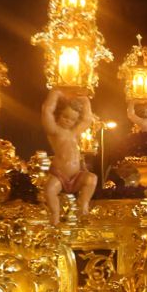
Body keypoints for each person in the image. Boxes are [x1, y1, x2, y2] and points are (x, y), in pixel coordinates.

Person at [39, 89, 98, 224]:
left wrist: (85, 101)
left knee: (92, 179)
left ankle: (83, 205)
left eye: (72, 119)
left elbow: (87, 119)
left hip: (76, 176)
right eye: (65, 116)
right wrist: (55, 93)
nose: (68, 121)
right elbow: (46, 110)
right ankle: (55, 214)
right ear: (58, 115)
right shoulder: (54, 130)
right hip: (60, 175)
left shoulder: (74, 132)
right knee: (49, 190)